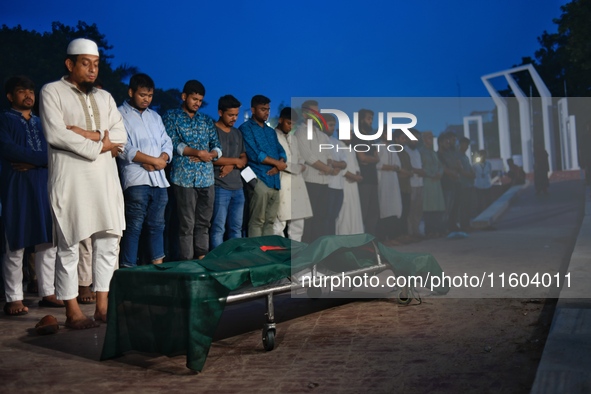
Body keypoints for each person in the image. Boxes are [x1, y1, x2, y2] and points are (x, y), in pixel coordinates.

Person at [40, 38, 126, 328]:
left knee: (108, 242)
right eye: (86, 64)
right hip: (71, 179)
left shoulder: (105, 98)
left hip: (105, 179)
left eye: (96, 64)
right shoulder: (52, 91)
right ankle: (72, 310)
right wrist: (100, 142)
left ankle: (102, 306)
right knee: (69, 243)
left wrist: (88, 135)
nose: (92, 70)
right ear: (70, 64)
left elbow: (121, 136)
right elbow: (56, 134)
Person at [0, 75, 62, 315]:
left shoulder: (41, 122)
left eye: (31, 92)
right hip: (17, 186)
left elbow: (56, 151)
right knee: (15, 243)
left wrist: (34, 163)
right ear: (10, 96)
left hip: (43, 185)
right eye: (22, 91)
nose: (28, 96)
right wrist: (42, 161)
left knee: (48, 243)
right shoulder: (5, 120)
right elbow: (7, 148)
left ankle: (47, 292)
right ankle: (14, 296)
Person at [117, 73, 172, 267]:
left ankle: (158, 267)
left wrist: (162, 159)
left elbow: (167, 142)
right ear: (131, 92)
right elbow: (123, 147)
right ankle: (129, 270)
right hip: (137, 180)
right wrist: (150, 160)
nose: (146, 99)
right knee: (134, 227)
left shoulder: (155, 116)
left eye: (149, 95)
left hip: (159, 179)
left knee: (158, 226)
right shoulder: (119, 114)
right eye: (142, 95)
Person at [163, 80, 222, 260]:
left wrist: (209, 155)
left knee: (204, 223)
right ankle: (186, 263)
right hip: (184, 178)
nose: (197, 103)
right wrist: (197, 152)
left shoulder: (205, 120)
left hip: (206, 178)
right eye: (194, 99)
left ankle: (202, 259)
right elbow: (173, 143)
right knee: (186, 224)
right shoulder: (171, 116)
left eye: (200, 100)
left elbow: (217, 146)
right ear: (184, 97)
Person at [239, 95, 287, 236]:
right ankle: (255, 255)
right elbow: (255, 154)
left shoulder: (270, 131)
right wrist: (277, 163)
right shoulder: (246, 129)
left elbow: (281, 151)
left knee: (270, 221)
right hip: (259, 178)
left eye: (268, 109)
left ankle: (267, 255)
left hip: (275, 182)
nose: (266, 112)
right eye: (262, 109)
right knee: (257, 221)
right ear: (253, 110)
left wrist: (280, 164)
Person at [210, 95, 246, 249]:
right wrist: (235, 161)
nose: (234, 118)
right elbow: (212, 158)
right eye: (230, 115)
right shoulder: (213, 130)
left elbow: (244, 158)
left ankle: (235, 260)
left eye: (236, 115)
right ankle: (218, 263)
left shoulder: (237, 133)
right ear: (220, 112)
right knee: (218, 228)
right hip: (220, 186)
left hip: (238, 187)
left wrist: (233, 163)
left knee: (236, 229)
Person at [295, 100, 332, 242]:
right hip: (309, 181)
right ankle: (308, 255)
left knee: (322, 218)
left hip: (324, 182)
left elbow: (328, 155)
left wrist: (327, 167)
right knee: (309, 219)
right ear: (304, 114)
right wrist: (327, 168)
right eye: (313, 112)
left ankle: (320, 254)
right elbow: (308, 156)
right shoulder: (300, 132)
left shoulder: (321, 134)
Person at [273, 107, 312, 241]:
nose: (291, 126)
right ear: (280, 120)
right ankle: (278, 255)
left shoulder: (293, 138)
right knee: (279, 223)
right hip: (282, 181)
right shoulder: (272, 136)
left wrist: (299, 165)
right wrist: (296, 167)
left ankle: (296, 255)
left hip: (297, 184)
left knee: (298, 223)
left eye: (293, 124)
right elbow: (277, 162)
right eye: (288, 123)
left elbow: (300, 157)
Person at [353, 109, 380, 236]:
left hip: (373, 178)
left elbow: (377, 157)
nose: (370, 121)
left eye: (371, 119)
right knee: (363, 211)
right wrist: (371, 159)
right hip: (363, 179)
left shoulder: (370, 138)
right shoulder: (357, 137)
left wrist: (371, 160)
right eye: (368, 118)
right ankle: (360, 240)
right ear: (361, 120)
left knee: (374, 211)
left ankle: (371, 240)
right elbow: (362, 158)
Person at [323, 114, 347, 236]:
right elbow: (326, 161)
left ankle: (332, 243)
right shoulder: (320, 140)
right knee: (326, 216)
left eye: (334, 125)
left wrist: (335, 163)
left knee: (334, 216)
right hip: (328, 184)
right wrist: (335, 164)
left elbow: (344, 163)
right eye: (330, 125)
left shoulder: (337, 142)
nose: (332, 128)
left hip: (339, 185)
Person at [419, 131, 446, 237]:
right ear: (424, 139)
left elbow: (440, 166)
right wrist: (431, 174)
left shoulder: (433, 153)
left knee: (437, 206)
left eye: (431, 137)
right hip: (428, 181)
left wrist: (439, 173)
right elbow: (421, 167)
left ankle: (437, 229)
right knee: (428, 206)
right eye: (428, 138)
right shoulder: (420, 152)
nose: (430, 140)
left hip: (436, 182)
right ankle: (429, 230)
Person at [457, 136, 475, 231]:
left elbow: (469, 168)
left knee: (468, 206)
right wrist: (470, 175)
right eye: (465, 144)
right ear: (461, 144)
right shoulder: (458, 155)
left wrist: (472, 174)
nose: (467, 147)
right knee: (463, 207)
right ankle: (463, 226)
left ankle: (467, 224)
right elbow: (461, 171)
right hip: (462, 185)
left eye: (468, 145)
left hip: (469, 184)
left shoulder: (465, 156)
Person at [473, 149, 492, 214]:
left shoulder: (489, 164)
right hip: (478, 185)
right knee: (479, 202)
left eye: (484, 154)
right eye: (481, 154)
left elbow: (490, 172)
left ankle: (488, 214)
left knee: (488, 201)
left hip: (487, 185)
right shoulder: (475, 165)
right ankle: (479, 214)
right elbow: (473, 174)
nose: (483, 156)